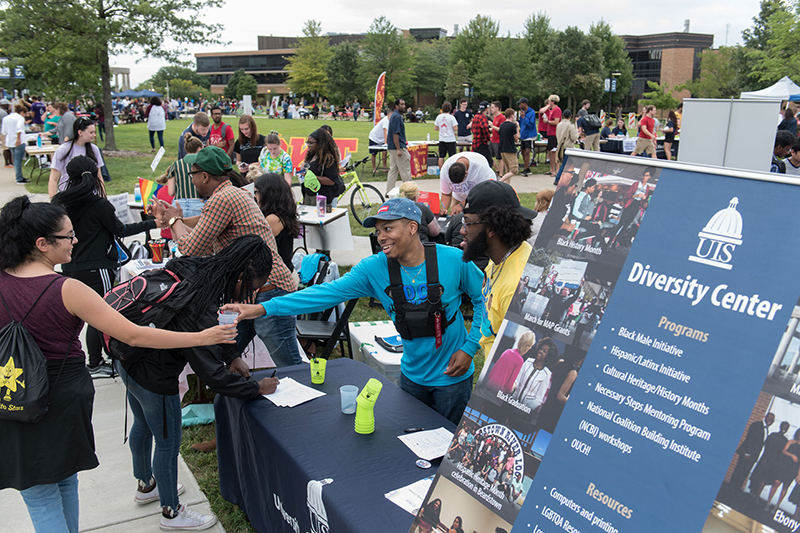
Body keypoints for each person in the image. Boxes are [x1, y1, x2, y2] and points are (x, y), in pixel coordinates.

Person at [0, 196, 237, 533]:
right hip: (60, 400)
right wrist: (202, 337)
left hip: (11, 396)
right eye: (68, 236)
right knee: (57, 488)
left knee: (46, 492)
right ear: (42, 244)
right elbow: (136, 335)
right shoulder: (67, 289)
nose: (76, 241)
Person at [222, 197, 485, 424]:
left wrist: (470, 348)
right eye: (379, 231)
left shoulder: (452, 259)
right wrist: (261, 308)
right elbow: (322, 295)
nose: (381, 237)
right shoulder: (374, 269)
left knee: (451, 445)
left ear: (413, 227)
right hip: (411, 376)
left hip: (453, 376)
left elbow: (485, 300)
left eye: (388, 228)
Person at [115, 236, 280, 530]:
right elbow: (213, 377)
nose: (250, 295)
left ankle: (146, 485)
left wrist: (231, 356)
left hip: (127, 358)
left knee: (142, 424)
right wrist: (257, 388)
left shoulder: (197, 267)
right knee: (167, 440)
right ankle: (171, 512)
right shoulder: (201, 301)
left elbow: (215, 327)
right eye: (252, 287)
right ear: (241, 275)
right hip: (155, 371)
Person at [53, 155, 162, 376]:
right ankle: (96, 362)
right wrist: (153, 223)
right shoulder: (99, 204)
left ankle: (85, 358)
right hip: (97, 267)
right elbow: (120, 230)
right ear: (95, 177)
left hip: (69, 265)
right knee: (99, 314)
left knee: (78, 315)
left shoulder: (60, 203)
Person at [461, 180, 535, 355]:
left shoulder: (514, 286)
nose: (462, 231)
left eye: (467, 223)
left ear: (491, 228)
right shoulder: (498, 257)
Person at [240, 172, 303, 367]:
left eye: (257, 192)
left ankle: (305, 390)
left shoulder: (273, 220)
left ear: (268, 193)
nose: (255, 196)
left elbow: (248, 239)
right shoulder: (280, 215)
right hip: (269, 287)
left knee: (289, 362)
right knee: (233, 344)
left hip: (274, 289)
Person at [49, 116, 105, 197]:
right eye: (91, 133)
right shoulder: (64, 149)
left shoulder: (94, 149)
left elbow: (99, 177)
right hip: (67, 195)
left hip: (89, 196)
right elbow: (53, 179)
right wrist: (52, 200)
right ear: (80, 132)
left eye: (94, 132)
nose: (94, 135)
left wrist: (103, 196)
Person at [537, 346, 584, 433]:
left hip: (547, 404)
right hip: (554, 411)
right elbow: (560, 396)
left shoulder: (559, 364)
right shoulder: (572, 373)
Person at [510, 337, 558, 415]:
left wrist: (525, 408)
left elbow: (538, 399)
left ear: (548, 355)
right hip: (512, 402)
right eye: (541, 349)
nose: (541, 351)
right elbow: (517, 379)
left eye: (544, 351)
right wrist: (512, 387)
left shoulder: (547, 374)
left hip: (525, 411)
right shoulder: (528, 361)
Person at [730, 413, 774, 492]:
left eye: (772, 420)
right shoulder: (757, 425)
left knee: (744, 473)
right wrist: (747, 453)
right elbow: (749, 439)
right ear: (765, 417)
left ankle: (736, 489)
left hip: (753, 456)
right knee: (739, 471)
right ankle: (731, 489)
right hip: (747, 454)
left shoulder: (766, 429)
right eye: (769, 418)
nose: (770, 421)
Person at [300, 129, 345, 206]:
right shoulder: (311, 155)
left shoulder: (328, 159)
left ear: (320, 144)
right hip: (309, 194)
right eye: (308, 142)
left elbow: (331, 181)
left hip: (321, 198)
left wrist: (313, 177)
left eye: (311, 143)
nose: (308, 145)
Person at [750, 421, 790, 499]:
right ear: (780, 426)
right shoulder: (773, 435)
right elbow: (766, 447)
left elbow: (782, 454)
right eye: (783, 427)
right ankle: (752, 493)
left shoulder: (785, 440)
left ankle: (757, 496)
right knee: (758, 476)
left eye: (786, 428)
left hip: (774, 463)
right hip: (766, 458)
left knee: (765, 479)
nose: (784, 429)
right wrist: (765, 459)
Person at [765, 428, 800, 512]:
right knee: (776, 483)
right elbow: (783, 450)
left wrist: (798, 475)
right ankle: (768, 503)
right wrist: (792, 455)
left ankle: (776, 506)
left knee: (785, 487)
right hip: (784, 466)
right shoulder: (791, 442)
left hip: (793, 469)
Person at [387, 98, 411, 194]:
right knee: (405, 170)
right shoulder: (397, 117)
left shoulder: (393, 116)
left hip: (392, 147)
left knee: (393, 170)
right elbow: (395, 134)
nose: (404, 106)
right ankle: (410, 192)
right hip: (398, 147)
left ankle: (389, 191)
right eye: (401, 104)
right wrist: (398, 149)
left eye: (404, 104)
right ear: (396, 106)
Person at [1, 103, 27, 183]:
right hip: (19, 141)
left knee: (15, 160)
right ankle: (19, 177)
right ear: (21, 112)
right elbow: (19, 129)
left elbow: (3, 131)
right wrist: (18, 139)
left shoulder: (6, 118)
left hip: (10, 141)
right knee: (18, 160)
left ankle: (18, 175)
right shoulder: (20, 118)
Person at [555, 109, 579, 176]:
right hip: (568, 147)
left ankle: (566, 177)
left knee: (565, 164)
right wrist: (578, 134)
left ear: (563, 116)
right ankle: (558, 178)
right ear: (571, 116)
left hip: (560, 145)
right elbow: (573, 137)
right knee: (565, 164)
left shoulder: (559, 125)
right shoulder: (570, 125)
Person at [435, 102, 458, 169]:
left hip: (442, 139)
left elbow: (436, 128)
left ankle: (441, 170)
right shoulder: (451, 117)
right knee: (452, 156)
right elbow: (455, 128)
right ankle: (452, 169)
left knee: (441, 156)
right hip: (450, 139)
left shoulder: (439, 117)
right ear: (450, 109)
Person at [498, 108, 519, 183]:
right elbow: (516, 138)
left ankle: (507, 186)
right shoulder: (512, 125)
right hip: (510, 149)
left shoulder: (502, 125)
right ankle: (500, 181)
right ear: (512, 116)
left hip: (502, 149)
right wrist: (517, 128)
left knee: (508, 170)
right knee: (514, 170)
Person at [517, 97, 537, 175]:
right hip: (523, 134)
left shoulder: (531, 112)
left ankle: (525, 168)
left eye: (520, 104)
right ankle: (527, 167)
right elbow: (521, 123)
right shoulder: (521, 112)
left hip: (530, 135)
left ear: (524, 104)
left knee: (527, 151)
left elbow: (531, 125)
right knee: (523, 151)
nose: (519, 105)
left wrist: (524, 118)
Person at [544, 95, 563, 176]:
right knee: (550, 151)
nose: (548, 103)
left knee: (554, 152)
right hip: (550, 133)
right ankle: (552, 169)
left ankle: (557, 170)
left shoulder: (557, 110)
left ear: (553, 101)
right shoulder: (552, 110)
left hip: (555, 134)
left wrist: (547, 121)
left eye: (549, 101)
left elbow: (556, 122)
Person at [471, 101, 493, 167]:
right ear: (487, 109)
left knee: (477, 161)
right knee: (489, 161)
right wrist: (488, 138)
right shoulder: (483, 117)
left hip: (475, 142)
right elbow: (485, 128)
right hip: (482, 142)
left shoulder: (475, 116)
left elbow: (473, 128)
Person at [489, 101, 505, 175]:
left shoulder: (502, 117)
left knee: (499, 158)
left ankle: (501, 173)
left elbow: (501, 129)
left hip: (498, 140)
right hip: (493, 139)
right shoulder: (495, 117)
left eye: (492, 107)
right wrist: (491, 129)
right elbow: (495, 128)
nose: (491, 109)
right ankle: (497, 169)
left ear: (497, 108)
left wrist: (492, 126)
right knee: (489, 155)